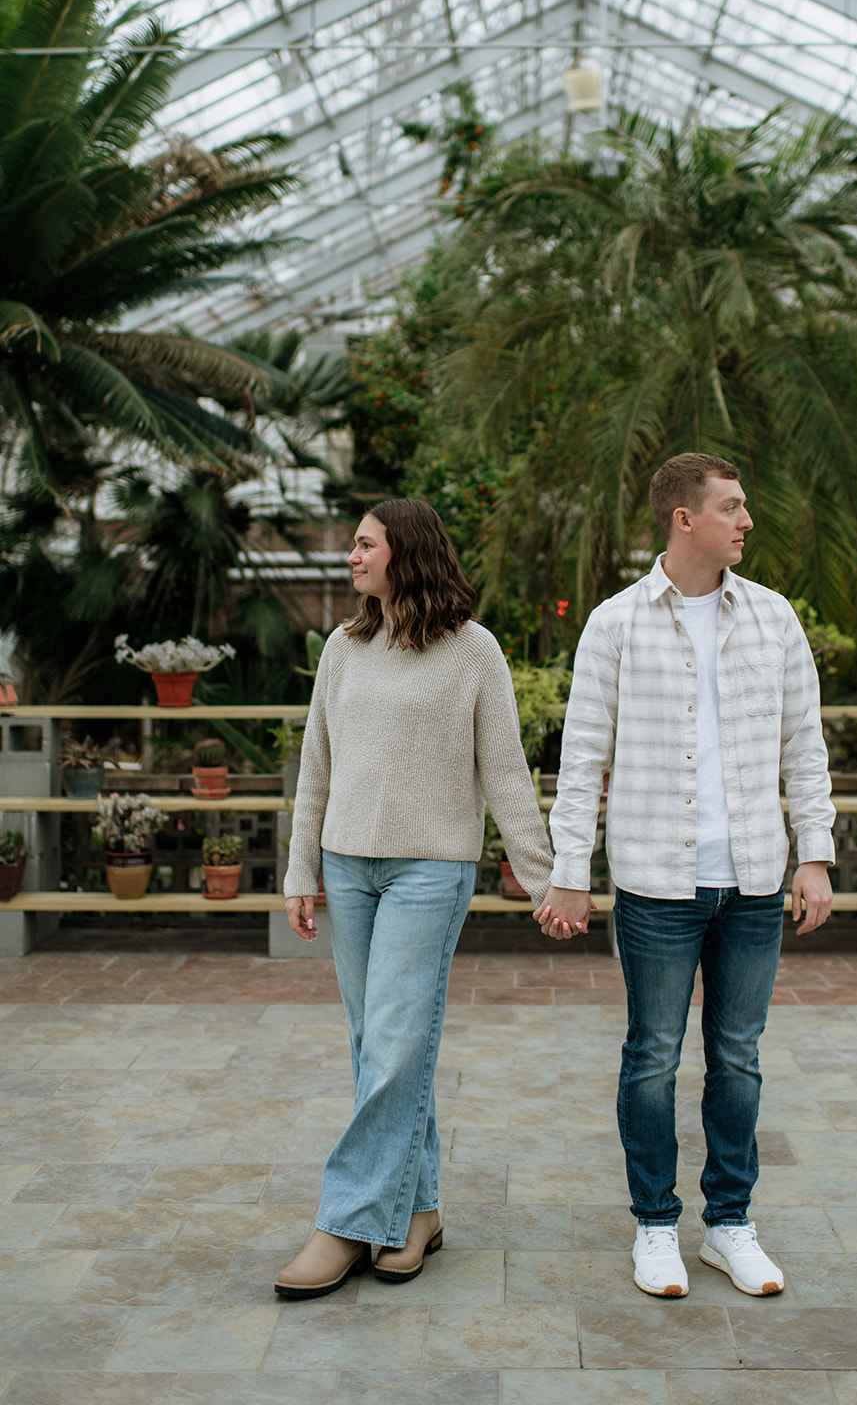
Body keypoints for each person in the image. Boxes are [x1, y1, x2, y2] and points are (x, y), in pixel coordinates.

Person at [536, 452, 835, 1299]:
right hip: (655, 882)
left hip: (754, 880)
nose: (747, 521)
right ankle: (656, 1226)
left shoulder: (774, 617)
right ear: (684, 518)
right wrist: (569, 872)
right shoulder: (616, 624)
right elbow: (581, 759)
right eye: (731, 507)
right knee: (653, 1058)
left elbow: (804, 745)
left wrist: (813, 855)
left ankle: (730, 1225)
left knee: (737, 1058)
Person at [274, 498, 552, 1299]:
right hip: (347, 866)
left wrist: (546, 880)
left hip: (429, 870)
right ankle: (418, 1212)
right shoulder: (344, 646)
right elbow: (316, 766)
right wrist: (300, 870)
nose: (352, 557)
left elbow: (505, 771)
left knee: (396, 1045)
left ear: (407, 551)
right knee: (378, 1046)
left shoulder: (473, 651)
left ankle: (345, 1220)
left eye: (365, 545)